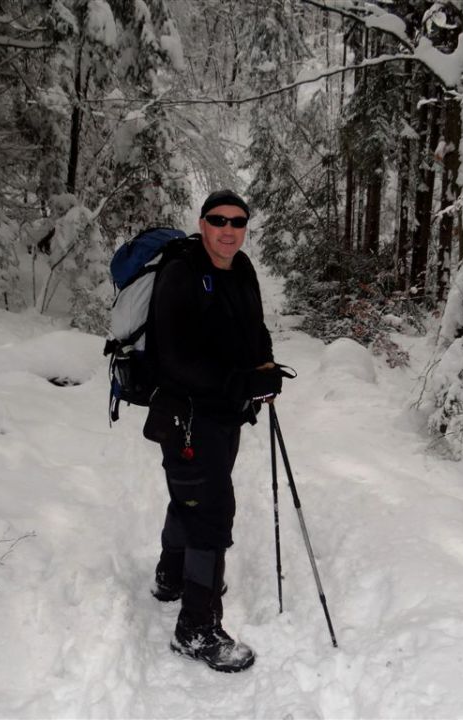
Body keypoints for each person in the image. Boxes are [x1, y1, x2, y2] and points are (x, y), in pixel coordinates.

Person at [146, 189, 284, 673]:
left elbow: (254, 328)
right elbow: (176, 360)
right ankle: (196, 630)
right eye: (219, 220)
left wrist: (264, 369)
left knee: (193, 497)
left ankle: (171, 576)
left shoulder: (241, 268)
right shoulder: (181, 274)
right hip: (186, 416)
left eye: (238, 221)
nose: (229, 229)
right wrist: (241, 382)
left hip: (225, 414)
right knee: (211, 513)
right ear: (202, 222)